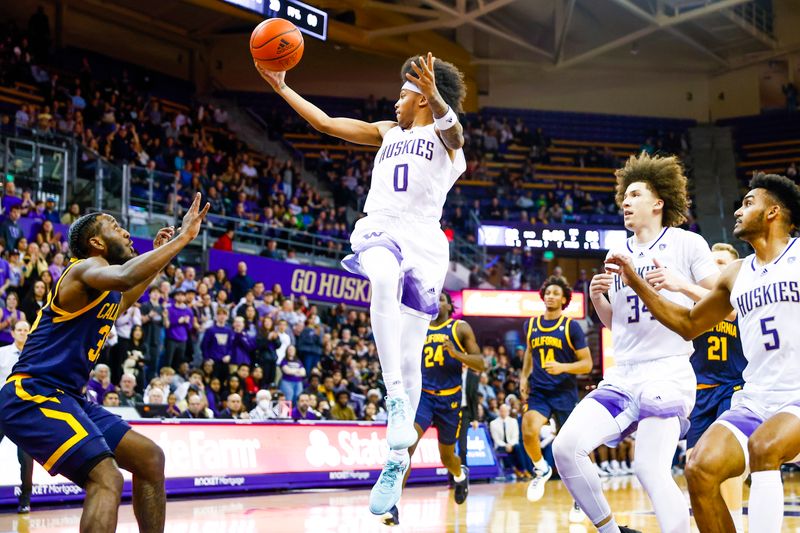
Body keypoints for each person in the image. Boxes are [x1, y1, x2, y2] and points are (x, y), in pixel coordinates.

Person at [255, 51, 467, 516]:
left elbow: (455, 131)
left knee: (415, 359)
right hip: (381, 226)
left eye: (404, 93)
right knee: (382, 276)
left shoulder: (448, 141)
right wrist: (283, 89)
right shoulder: (387, 132)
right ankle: (393, 397)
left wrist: (434, 94)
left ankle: (395, 459)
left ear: (425, 99)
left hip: (425, 239)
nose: (396, 101)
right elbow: (328, 124)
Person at [0, 193, 209, 533]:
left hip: (67, 396)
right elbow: (126, 276)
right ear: (96, 242)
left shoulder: (102, 289)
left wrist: (157, 257)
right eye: (115, 226)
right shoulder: (84, 268)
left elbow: (126, 294)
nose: (126, 232)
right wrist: (184, 238)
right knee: (106, 477)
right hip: (32, 395)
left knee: (150, 459)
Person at [606, 173, 800, 533]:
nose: (738, 211)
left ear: (773, 212)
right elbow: (688, 324)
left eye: (748, 203)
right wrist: (635, 282)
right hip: (756, 400)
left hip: (797, 396)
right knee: (699, 468)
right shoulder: (735, 274)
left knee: (763, 448)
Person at [552, 153, 719, 533]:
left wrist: (680, 285)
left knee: (648, 467)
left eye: (635, 194)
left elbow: (717, 299)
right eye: (623, 196)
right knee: (565, 448)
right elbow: (619, 326)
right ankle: (611, 531)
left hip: (668, 370)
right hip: (623, 374)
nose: (625, 202)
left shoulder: (686, 243)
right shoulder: (617, 254)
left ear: (658, 202)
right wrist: (598, 302)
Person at [386, 292, 484, 525]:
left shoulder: (460, 328)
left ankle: (460, 475)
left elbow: (480, 363)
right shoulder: (419, 327)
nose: (436, 302)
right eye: (434, 298)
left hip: (450, 402)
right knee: (406, 447)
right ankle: (392, 504)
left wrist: (456, 354)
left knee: (447, 457)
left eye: (441, 298)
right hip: (424, 398)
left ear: (450, 306)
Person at [520, 276, 592, 514]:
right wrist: (523, 377)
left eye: (555, 293)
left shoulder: (571, 326)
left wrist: (563, 367)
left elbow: (587, 364)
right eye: (547, 292)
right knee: (529, 429)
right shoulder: (531, 324)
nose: (550, 296)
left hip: (564, 392)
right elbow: (530, 353)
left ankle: (581, 494)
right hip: (540, 391)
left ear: (564, 299)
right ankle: (540, 468)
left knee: (572, 448)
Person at [0, 320, 34, 513]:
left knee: (26, 458)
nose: (22, 333)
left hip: (26, 412)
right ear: (12, 333)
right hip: (2, 408)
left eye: (26, 330)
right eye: (19, 330)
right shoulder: (2, 353)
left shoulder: (36, 355)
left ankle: (25, 500)